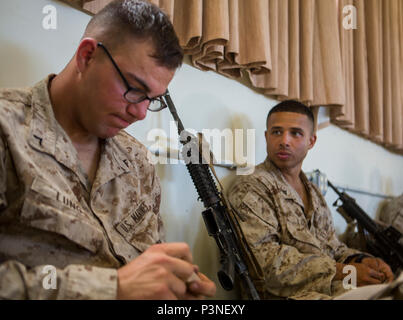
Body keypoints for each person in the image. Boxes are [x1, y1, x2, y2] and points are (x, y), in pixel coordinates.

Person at [0, 0, 216, 300]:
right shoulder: (7, 131)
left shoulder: (137, 160)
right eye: (134, 88)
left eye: (152, 99)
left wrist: (175, 288)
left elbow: (149, 264)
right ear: (87, 56)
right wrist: (113, 289)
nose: (140, 113)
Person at [227, 100, 394, 300]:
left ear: (311, 141)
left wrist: (361, 261)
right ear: (266, 136)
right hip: (281, 295)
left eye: (296, 133)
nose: (284, 141)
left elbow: (332, 247)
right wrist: (345, 272)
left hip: (329, 288)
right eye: (276, 132)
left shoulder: (314, 193)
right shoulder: (251, 187)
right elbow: (264, 264)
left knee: (388, 292)